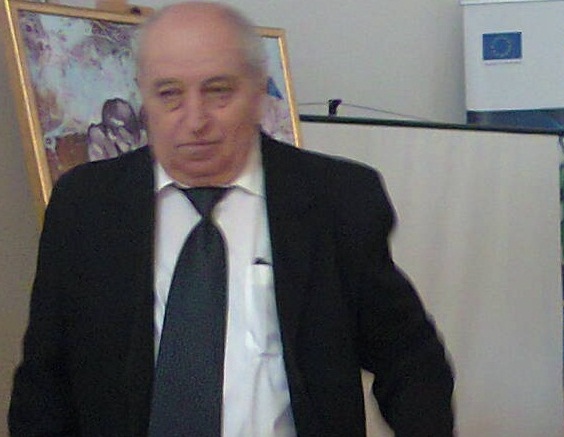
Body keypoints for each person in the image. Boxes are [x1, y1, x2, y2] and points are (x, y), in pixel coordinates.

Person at [7, 2, 454, 436]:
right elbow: (45, 381)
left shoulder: (336, 200)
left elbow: (408, 357)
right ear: (142, 94)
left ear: (258, 91)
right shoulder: (86, 206)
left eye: (218, 91)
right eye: (169, 94)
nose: (195, 120)